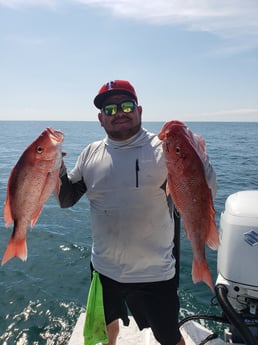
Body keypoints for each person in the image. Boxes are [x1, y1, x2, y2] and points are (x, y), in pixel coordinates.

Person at [58, 80, 217, 345]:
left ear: (139, 110)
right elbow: (66, 198)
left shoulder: (164, 148)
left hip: (154, 273)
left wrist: (201, 158)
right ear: (100, 118)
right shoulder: (90, 153)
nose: (119, 112)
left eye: (126, 105)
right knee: (107, 327)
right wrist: (55, 167)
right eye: (110, 109)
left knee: (168, 336)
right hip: (103, 269)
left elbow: (202, 192)